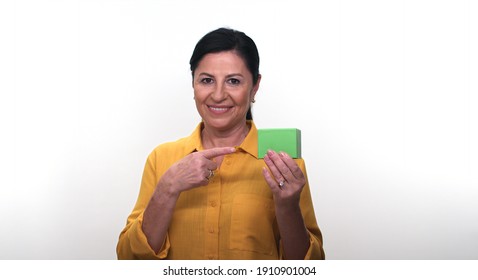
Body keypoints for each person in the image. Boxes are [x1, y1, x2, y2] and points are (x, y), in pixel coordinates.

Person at [116, 27, 325, 260]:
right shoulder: (162, 158)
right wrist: (167, 189)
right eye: (206, 80)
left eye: (233, 81)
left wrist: (288, 207)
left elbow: (311, 266)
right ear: (193, 83)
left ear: (254, 86)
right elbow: (128, 259)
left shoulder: (284, 163)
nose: (217, 95)